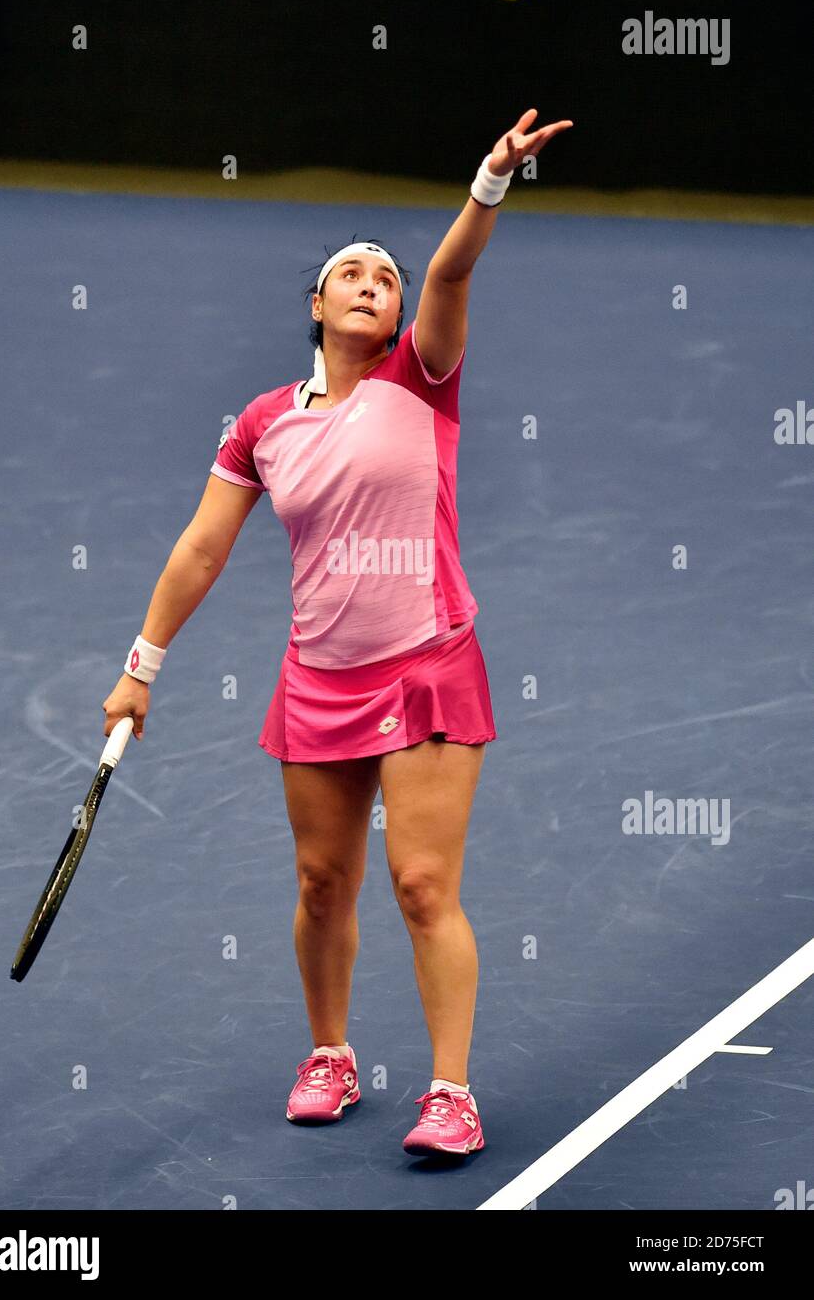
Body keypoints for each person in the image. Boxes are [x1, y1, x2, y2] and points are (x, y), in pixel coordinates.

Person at [102, 107, 573, 1157]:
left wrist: (487, 181)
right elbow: (199, 550)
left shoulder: (424, 376)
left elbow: (450, 276)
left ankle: (449, 1089)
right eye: (351, 272)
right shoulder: (264, 422)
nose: (375, 282)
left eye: (385, 278)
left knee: (418, 884)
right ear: (314, 305)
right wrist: (142, 667)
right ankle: (329, 1053)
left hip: (426, 663)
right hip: (318, 675)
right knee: (322, 882)